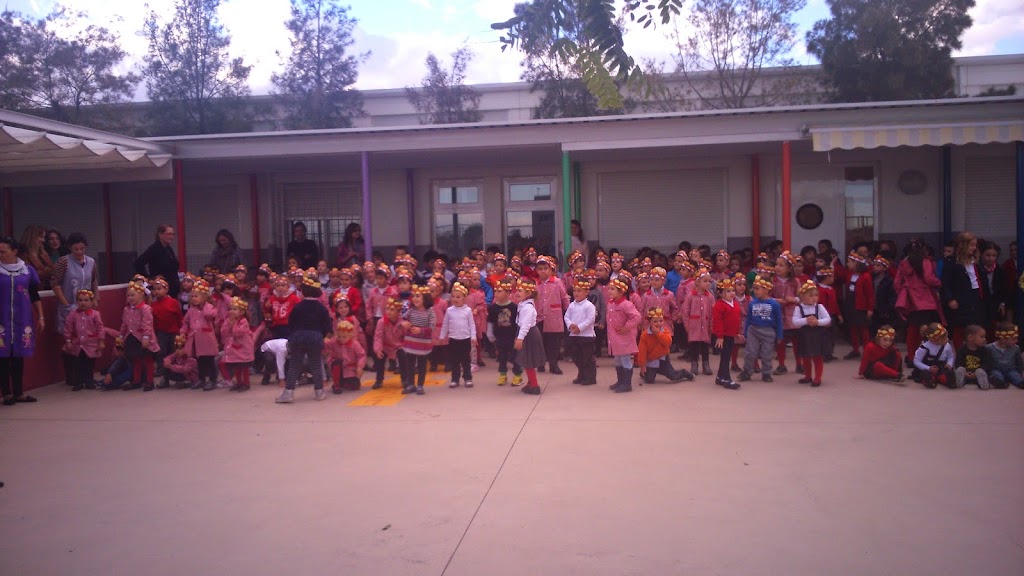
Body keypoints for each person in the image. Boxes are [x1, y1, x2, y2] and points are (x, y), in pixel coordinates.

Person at [276, 275, 333, 403]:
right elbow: (327, 326)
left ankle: (288, 392)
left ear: (303, 290)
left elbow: (291, 323)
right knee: (316, 364)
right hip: (315, 337)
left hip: (298, 337)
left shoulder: (298, 307)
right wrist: (321, 335)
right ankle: (319, 391)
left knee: (295, 365)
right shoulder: (321, 308)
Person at [894, 238, 943, 360]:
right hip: (926, 299)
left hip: (910, 300)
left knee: (912, 329)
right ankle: (922, 357)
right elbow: (929, 278)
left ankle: (911, 356)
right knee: (926, 330)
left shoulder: (903, 263)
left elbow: (897, 282)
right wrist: (940, 283)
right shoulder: (926, 262)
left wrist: (904, 293)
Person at [51, 233, 100, 337]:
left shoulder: (91, 262)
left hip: (87, 305)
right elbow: (55, 283)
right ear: (70, 248)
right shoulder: (64, 261)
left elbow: (94, 280)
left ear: (86, 247)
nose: (79, 252)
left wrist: (96, 298)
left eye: (82, 249)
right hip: (68, 304)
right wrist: (65, 304)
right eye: (75, 249)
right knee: (69, 335)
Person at [942, 232, 984, 349]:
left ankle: (974, 354)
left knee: (975, 328)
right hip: (960, 298)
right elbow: (945, 282)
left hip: (975, 297)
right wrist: (950, 299)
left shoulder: (975, 261)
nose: (974, 248)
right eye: (971, 245)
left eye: (975, 245)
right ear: (962, 245)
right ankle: (960, 353)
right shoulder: (952, 261)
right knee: (959, 328)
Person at [739, 278, 783, 383]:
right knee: (750, 352)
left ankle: (766, 373)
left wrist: (779, 335)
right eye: (754, 289)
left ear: (767, 290)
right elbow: (748, 319)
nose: (755, 291)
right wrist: (745, 332)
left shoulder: (774, 304)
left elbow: (779, 321)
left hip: (768, 332)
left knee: (766, 354)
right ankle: (747, 372)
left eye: (757, 289)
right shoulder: (752, 303)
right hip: (753, 330)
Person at [119, 282, 160, 391]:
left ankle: (150, 382)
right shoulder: (126, 309)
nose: (130, 298)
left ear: (141, 295)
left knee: (147, 359)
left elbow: (147, 323)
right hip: (132, 338)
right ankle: (136, 381)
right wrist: (121, 336)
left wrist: (146, 337)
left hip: (143, 338)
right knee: (135, 359)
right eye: (128, 295)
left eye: (133, 295)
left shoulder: (145, 308)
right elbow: (124, 324)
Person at [62, 289, 106, 391]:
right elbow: (68, 328)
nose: (83, 303)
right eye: (80, 300)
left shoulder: (95, 314)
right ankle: (78, 382)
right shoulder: (72, 314)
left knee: (89, 364)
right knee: (78, 364)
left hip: (91, 345)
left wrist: (101, 341)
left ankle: (89, 381)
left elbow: (100, 328)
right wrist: (68, 341)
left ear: (91, 302)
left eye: (86, 300)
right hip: (77, 345)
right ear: (77, 302)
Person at [791, 281, 832, 387]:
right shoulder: (798, 308)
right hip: (805, 336)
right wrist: (806, 320)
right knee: (806, 357)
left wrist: (818, 322)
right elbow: (795, 322)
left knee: (817, 357)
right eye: (811, 296)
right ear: (802, 296)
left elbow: (827, 319)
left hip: (818, 336)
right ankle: (808, 376)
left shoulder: (820, 307)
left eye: (816, 295)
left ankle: (818, 377)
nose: (814, 298)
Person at [181, 281, 219, 390]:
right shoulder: (191, 310)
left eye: (196, 296)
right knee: (200, 361)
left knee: (209, 360)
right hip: (196, 340)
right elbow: (185, 322)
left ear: (204, 297)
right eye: (192, 296)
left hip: (207, 338)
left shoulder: (210, 307)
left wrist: (206, 304)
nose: (193, 298)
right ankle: (201, 380)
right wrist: (183, 332)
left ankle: (212, 380)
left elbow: (210, 315)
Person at [639, 307, 693, 385]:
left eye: (661, 321)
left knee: (672, 376)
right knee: (649, 380)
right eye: (655, 321)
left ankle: (684, 373)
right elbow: (642, 351)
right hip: (651, 360)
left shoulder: (665, 331)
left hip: (663, 359)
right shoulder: (645, 335)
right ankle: (647, 371)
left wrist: (658, 334)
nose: (658, 323)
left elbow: (668, 343)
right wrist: (642, 365)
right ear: (649, 322)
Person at [606, 277, 641, 393]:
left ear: (621, 292)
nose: (609, 291)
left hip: (624, 338)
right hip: (614, 338)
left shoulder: (626, 304)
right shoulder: (610, 304)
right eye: (609, 288)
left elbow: (636, 317)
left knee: (625, 359)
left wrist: (627, 327)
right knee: (617, 360)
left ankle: (627, 384)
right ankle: (620, 381)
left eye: (613, 289)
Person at [535, 256, 569, 374]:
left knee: (554, 343)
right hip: (539, 318)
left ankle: (553, 364)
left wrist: (568, 312)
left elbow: (564, 298)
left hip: (554, 317)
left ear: (551, 269)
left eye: (545, 268)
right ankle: (540, 363)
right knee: (540, 342)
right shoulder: (536, 284)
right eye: (540, 268)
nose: (543, 271)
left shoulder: (557, 282)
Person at [399, 285, 435, 396]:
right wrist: (403, 323)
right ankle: (411, 384)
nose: (415, 298)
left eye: (418, 296)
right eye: (414, 296)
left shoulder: (430, 312)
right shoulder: (411, 310)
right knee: (410, 365)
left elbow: (432, 327)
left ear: (425, 298)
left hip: (423, 344)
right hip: (410, 343)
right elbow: (401, 318)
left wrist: (421, 330)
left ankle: (420, 385)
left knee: (422, 366)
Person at [440, 282, 476, 389]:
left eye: (458, 297)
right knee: (454, 361)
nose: (455, 299)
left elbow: (472, 325)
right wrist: (442, 336)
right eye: (453, 296)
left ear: (464, 298)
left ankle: (468, 378)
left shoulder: (468, 311)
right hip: (453, 339)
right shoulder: (449, 311)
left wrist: (473, 337)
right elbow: (445, 324)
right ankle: (454, 379)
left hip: (465, 339)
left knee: (466, 360)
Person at [514, 278, 546, 396]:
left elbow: (525, 325)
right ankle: (530, 382)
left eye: (520, 290)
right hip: (526, 333)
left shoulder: (528, 308)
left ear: (528, 293)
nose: (517, 292)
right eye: (517, 290)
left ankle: (534, 385)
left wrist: (520, 338)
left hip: (528, 335)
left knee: (528, 361)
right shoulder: (523, 304)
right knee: (527, 360)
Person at [681, 268, 715, 376]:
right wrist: (686, 324)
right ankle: (694, 364)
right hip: (694, 325)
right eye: (705, 281)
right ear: (697, 282)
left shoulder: (710, 297)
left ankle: (706, 364)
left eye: (709, 281)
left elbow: (713, 312)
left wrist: (711, 325)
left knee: (705, 345)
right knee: (694, 345)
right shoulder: (690, 296)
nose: (708, 284)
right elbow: (685, 311)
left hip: (705, 325)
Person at [772, 251, 801, 374]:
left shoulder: (795, 282)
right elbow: (766, 296)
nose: (777, 267)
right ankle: (781, 364)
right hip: (778, 315)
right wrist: (775, 300)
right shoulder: (772, 281)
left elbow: (802, 298)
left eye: (781, 265)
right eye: (776, 264)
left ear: (789, 268)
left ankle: (800, 364)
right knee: (780, 341)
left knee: (796, 341)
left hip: (792, 315)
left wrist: (793, 299)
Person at [488, 280, 522, 386]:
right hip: (499, 337)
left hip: (512, 337)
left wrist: (519, 336)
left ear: (508, 293)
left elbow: (518, 322)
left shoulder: (514, 307)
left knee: (514, 357)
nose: (496, 294)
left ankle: (518, 375)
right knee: (501, 357)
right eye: (495, 291)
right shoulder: (493, 307)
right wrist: (490, 333)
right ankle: (503, 374)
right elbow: (490, 321)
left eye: (499, 291)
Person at [564, 279, 597, 386]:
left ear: (586, 292)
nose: (576, 293)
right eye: (575, 291)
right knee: (577, 356)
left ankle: (590, 377)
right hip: (574, 335)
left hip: (586, 336)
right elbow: (566, 316)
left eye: (579, 291)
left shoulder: (589, 305)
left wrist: (580, 327)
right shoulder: (572, 305)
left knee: (587, 358)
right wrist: (570, 325)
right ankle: (581, 374)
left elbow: (590, 319)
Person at [219, 297, 255, 392]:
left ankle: (246, 383)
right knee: (236, 365)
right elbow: (224, 332)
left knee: (244, 366)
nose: (232, 311)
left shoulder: (244, 321)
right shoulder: (228, 320)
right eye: (230, 309)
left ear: (242, 312)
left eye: (235, 309)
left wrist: (233, 324)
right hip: (233, 348)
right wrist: (228, 325)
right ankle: (239, 382)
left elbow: (238, 333)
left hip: (243, 347)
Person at [843, 251, 875, 359]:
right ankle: (855, 349)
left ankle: (867, 350)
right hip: (851, 304)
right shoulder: (850, 274)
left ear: (856, 263)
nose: (847, 264)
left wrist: (870, 308)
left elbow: (870, 294)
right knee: (852, 328)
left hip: (861, 306)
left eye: (850, 262)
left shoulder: (866, 276)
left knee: (863, 329)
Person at [711, 278, 741, 389]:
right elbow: (717, 322)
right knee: (725, 357)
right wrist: (720, 336)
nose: (732, 293)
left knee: (726, 356)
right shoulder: (719, 305)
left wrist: (736, 332)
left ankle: (720, 377)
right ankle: (726, 378)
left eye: (733, 290)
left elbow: (736, 320)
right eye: (728, 291)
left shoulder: (735, 304)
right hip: (722, 336)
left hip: (730, 335)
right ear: (720, 293)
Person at [134, 224, 180, 297]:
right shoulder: (153, 249)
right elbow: (138, 263)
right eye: (168, 234)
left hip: (172, 288)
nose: (171, 237)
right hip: (161, 289)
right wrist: (149, 278)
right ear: (160, 235)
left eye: (172, 234)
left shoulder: (168, 249)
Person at [325, 320, 367, 394]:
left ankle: (343, 382)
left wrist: (360, 367)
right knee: (336, 363)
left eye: (344, 337)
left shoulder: (355, 344)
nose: (341, 339)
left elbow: (362, 355)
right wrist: (324, 340)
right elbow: (326, 346)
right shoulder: (334, 341)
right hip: (337, 366)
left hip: (350, 368)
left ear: (350, 336)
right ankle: (336, 384)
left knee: (355, 386)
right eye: (339, 336)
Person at [372, 299, 406, 389]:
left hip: (398, 346)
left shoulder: (402, 322)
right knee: (379, 357)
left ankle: (404, 379)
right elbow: (378, 337)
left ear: (398, 312)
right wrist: (378, 350)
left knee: (403, 356)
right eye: (387, 309)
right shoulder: (381, 322)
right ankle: (379, 380)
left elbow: (406, 336)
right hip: (385, 346)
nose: (388, 312)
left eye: (392, 309)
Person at [913, 323, 956, 389]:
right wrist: (928, 368)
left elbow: (950, 357)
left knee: (946, 373)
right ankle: (930, 381)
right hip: (928, 367)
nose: (947, 339)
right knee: (925, 374)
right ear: (934, 340)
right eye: (944, 338)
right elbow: (916, 361)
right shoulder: (924, 347)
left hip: (941, 367)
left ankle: (948, 381)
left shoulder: (947, 346)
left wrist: (949, 364)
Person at [954, 324, 991, 390]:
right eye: (982, 337)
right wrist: (965, 373)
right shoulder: (961, 350)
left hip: (978, 373)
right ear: (970, 337)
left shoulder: (985, 350)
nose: (984, 339)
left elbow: (986, 364)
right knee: (959, 371)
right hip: (966, 373)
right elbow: (958, 363)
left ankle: (983, 384)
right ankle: (959, 382)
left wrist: (977, 373)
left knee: (985, 375)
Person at [987, 323, 1022, 389]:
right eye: (1014, 339)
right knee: (996, 374)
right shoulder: (989, 348)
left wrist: (1020, 372)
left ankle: (1020, 383)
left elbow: (1019, 362)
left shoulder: (1016, 348)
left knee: (1015, 375)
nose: (1017, 341)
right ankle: (1000, 383)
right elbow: (987, 361)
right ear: (1003, 339)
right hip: (996, 369)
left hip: (1011, 369)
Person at [19, 224, 54, 290]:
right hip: (30, 291)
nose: (43, 240)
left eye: (44, 237)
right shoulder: (22, 255)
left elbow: (54, 271)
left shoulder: (43, 253)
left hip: (46, 290)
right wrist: (47, 271)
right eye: (41, 237)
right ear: (32, 237)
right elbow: (29, 274)